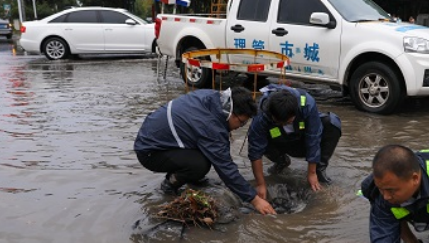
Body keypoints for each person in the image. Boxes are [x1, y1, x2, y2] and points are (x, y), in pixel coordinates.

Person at [134, 86, 276, 215]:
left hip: (154, 136)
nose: (242, 126)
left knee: (208, 154)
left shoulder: (212, 98)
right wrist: (254, 200)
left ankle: (191, 177)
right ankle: (170, 184)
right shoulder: (210, 126)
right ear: (230, 113)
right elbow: (225, 168)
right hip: (150, 152)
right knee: (201, 165)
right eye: (241, 121)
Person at [247, 85, 341, 196]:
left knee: (333, 123)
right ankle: (281, 161)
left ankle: (319, 170)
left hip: (301, 139)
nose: (284, 124)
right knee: (256, 137)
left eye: (287, 122)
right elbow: (255, 151)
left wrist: (311, 173)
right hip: (278, 140)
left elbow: (313, 137)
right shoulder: (262, 114)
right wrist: (261, 184)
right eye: (279, 122)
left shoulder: (307, 104)